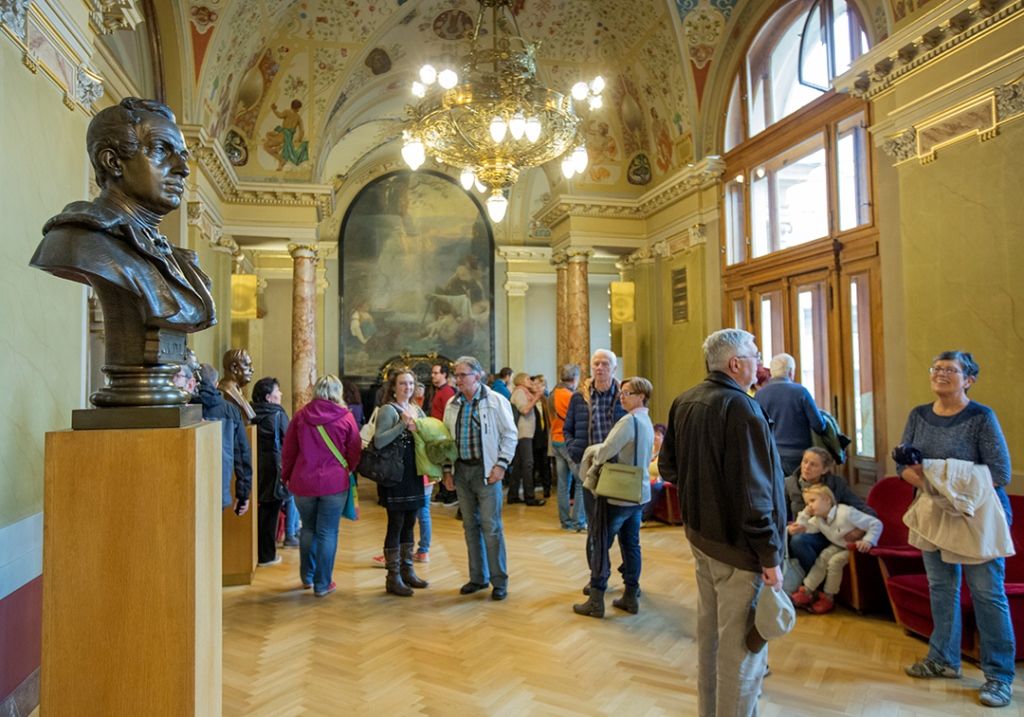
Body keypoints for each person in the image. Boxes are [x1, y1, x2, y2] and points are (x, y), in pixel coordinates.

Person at [30, 98, 216, 406]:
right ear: (112, 161)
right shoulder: (80, 240)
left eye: (183, 155)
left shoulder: (180, 260)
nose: (182, 169)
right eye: (161, 150)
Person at [659, 329, 786, 717]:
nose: (760, 363)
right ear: (735, 364)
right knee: (742, 654)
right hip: (739, 551)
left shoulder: (685, 400)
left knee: (712, 642)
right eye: (755, 355)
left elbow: (669, 468)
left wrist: (703, 498)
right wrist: (769, 555)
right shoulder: (742, 409)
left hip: (702, 540)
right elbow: (755, 494)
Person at [898, 351, 1014, 708]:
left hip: (977, 516)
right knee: (941, 588)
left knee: (986, 594)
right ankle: (943, 660)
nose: (941, 374)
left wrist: (943, 479)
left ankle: (998, 676)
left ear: (969, 380)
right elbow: (904, 461)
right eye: (936, 368)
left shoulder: (981, 417)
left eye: (951, 370)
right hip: (934, 514)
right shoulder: (918, 414)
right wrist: (923, 478)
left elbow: (999, 472)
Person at [573, 377, 655, 618]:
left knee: (599, 542)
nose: (622, 396)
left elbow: (607, 450)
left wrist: (593, 453)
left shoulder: (628, 421)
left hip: (618, 493)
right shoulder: (646, 420)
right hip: (637, 494)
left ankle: (596, 599)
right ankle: (631, 595)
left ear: (641, 396)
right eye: (622, 392)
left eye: (627, 393)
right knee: (631, 544)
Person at [441, 356, 518, 601]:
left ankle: (499, 581)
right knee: (469, 526)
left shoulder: (495, 401)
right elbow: (445, 440)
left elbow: (510, 434)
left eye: (463, 375)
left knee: (491, 527)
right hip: (462, 472)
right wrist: (446, 470)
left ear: (478, 375)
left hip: (488, 472)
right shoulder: (453, 403)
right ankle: (478, 578)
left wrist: (501, 465)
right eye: (456, 375)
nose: (458, 380)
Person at [281, 375, 361, 598]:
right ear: (338, 392)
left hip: (303, 482)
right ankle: (322, 584)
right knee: (327, 532)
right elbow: (354, 451)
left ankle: (307, 577)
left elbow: (288, 452)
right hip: (334, 483)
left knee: (308, 529)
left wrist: (286, 477)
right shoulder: (346, 418)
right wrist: (348, 469)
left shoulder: (300, 416)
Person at [564, 350, 628, 576]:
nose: (599, 368)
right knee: (594, 525)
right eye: (596, 364)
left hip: (618, 469)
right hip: (591, 469)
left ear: (614, 368)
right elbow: (568, 429)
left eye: (604, 364)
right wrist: (575, 452)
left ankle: (625, 574)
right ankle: (598, 576)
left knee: (619, 526)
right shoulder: (578, 397)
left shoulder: (624, 395)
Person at [373, 369, 430, 596]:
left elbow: (426, 436)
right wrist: (402, 426)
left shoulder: (416, 409)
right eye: (403, 384)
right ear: (394, 387)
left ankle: (408, 571)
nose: (407, 387)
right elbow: (379, 441)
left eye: (410, 383)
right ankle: (392, 577)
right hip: (394, 476)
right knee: (395, 523)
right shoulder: (388, 409)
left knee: (410, 522)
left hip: (414, 474)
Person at [789, 484, 882, 614]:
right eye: (806, 503)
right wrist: (804, 514)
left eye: (812, 501)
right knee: (823, 558)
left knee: (834, 562)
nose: (809, 506)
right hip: (839, 545)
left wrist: (868, 540)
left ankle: (828, 597)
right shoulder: (818, 519)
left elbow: (875, 523)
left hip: (856, 548)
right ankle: (807, 590)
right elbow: (804, 528)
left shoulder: (845, 513)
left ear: (827, 499)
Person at [785, 447, 875, 573]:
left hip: (833, 532)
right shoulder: (789, 484)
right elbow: (777, 515)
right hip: (806, 530)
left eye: (813, 464)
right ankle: (812, 585)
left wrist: (859, 530)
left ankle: (815, 586)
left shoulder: (836, 483)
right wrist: (788, 529)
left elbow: (865, 509)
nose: (806, 467)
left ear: (825, 469)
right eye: (805, 461)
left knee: (800, 540)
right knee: (798, 539)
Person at [194, 363, 251, 518]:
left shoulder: (185, 407)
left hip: (187, 487)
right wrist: (243, 493)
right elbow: (242, 454)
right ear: (216, 384)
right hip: (218, 486)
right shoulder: (230, 410)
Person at [755, 353, 827, 475]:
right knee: (797, 491)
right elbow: (819, 426)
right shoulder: (801, 392)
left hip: (770, 454)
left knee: (778, 491)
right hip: (799, 456)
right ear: (790, 371)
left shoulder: (760, 395)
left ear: (772, 372)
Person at [251, 377, 289, 568]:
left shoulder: (249, 412)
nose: (280, 394)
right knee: (271, 512)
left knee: (258, 512)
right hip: (274, 469)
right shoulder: (277, 415)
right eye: (277, 391)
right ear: (268, 397)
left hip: (254, 466)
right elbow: (288, 442)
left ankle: (254, 552)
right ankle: (266, 555)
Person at [551, 364, 586, 531]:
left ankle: (565, 522)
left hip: (555, 439)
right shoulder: (570, 396)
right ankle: (578, 522)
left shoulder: (553, 392)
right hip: (567, 441)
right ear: (575, 378)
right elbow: (575, 419)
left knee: (563, 484)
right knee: (581, 481)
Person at [507, 372, 546, 506]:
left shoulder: (523, 392)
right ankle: (530, 497)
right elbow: (524, 410)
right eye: (528, 378)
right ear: (521, 381)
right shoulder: (519, 392)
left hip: (524, 434)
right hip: (523, 434)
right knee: (528, 464)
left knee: (518, 465)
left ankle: (513, 495)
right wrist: (536, 397)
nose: (531, 381)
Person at [429, 362, 458, 507]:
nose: (433, 376)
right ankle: (443, 492)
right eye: (432, 373)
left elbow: (450, 415)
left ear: (444, 375)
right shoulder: (438, 391)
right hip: (437, 432)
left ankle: (450, 493)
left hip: (444, 433)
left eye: (436, 373)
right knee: (441, 464)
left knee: (447, 465)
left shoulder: (447, 392)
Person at [531, 374, 553, 498]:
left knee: (545, 463)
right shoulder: (530, 399)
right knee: (534, 463)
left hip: (545, 436)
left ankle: (547, 488)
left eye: (540, 385)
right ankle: (532, 488)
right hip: (534, 436)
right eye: (536, 385)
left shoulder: (546, 399)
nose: (538, 387)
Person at [220, 348, 256, 422]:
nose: (252, 369)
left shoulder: (237, 390)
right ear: (234, 368)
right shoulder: (226, 391)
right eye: (247, 365)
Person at [641, 423, 667, 523]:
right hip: (645, 479)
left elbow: (663, 471)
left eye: (658, 434)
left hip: (659, 480)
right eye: (654, 434)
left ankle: (642, 517)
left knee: (654, 487)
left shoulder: (665, 453)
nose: (655, 437)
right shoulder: (649, 450)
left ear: (664, 438)